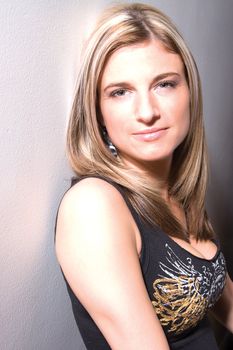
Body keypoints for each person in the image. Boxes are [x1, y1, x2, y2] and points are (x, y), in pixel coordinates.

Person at [55, 3, 233, 349]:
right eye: (120, 92)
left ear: (189, 93)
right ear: (97, 112)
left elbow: (221, 293)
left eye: (164, 84)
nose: (147, 112)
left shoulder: (175, 189)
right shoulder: (93, 207)